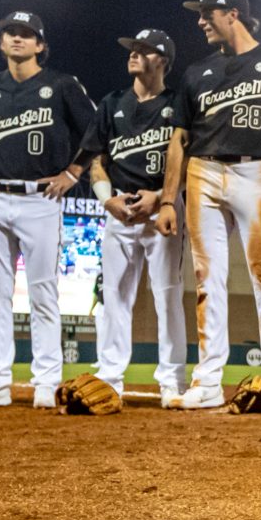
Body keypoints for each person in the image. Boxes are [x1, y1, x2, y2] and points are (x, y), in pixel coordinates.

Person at [156, 0, 261, 408]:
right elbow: (179, 139)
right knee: (207, 279)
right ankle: (206, 383)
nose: (201, 21)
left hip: (256, 172)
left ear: (234, 14)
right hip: (202, 170)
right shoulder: (195, 72)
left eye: (208, 13)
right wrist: (169, 198)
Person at [0, 11, 98, 409]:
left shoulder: (61, 85)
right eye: (10, 33)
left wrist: (73, 172)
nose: (17, 39)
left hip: (42, 199)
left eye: (26, 34)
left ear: (40, 45)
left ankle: (46, 382)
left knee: (43, 295)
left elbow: (95, 131)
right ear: (1, 43)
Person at [78, 27, 187, 408]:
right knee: (113, 298)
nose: (134, 54)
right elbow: (97, 159)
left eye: (145, 50)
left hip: (163, 212)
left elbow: (188, 159)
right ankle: (109, 377)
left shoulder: (178, 102)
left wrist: (162, 198)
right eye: (132, 49)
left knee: (168, 296)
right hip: (120, 213)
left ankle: (172, 380)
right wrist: (107, 200)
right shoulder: (111, 103)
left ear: (164, 61)